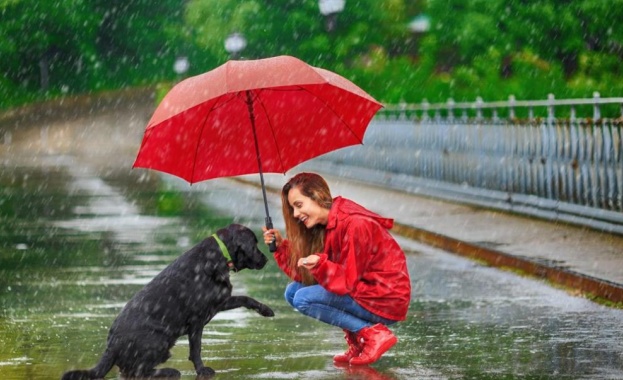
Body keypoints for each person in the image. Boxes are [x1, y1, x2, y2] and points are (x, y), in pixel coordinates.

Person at [262, 172, 411, 365]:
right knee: (292, 292)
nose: (296, 214)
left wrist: (321, 264)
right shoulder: (326, 226)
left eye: (299, 205)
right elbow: (309, 277)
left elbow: (346, 281)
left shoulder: (355, 224)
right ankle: (359, 341)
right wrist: (282, 247)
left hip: (384, 297)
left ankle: (372, 334)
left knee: (303, 298)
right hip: (364, 290)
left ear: (316, 195)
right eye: (293, 208)